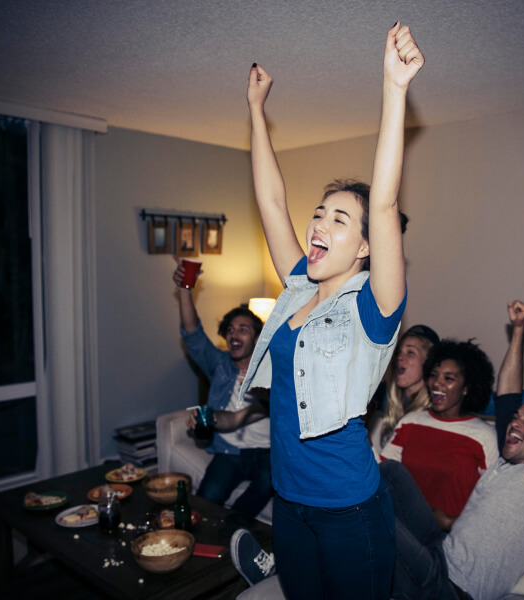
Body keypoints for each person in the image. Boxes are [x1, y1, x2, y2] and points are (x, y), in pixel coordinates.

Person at [233, 23, 425, 600]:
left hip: (349, 508)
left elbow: (385, 203)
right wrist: (255, 111)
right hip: (288, 503)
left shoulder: (374, 308)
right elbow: (270, 200)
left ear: (365, 247)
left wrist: (394, 90)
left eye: (338, 220)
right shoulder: (296, 286)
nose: (318, 224)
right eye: (319, 213)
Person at [383, 292, 524, 600]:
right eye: (516, 417)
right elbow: (507, 395)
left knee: (371, 516)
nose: (515, 421)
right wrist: (518, 331)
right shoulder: (506, 459)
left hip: (452, 588)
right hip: (439, 550)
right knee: (392, 473)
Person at [172, 258, 272, 519]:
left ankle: (232, 529)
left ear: (258, 338)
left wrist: (214, 416)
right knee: (206, 501)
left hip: (267, 452)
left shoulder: (271, 372)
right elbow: (193, 333)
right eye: (230, 330)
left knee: (267, 483)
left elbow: (251, 413)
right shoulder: (220, 364)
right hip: (228, 450)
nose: (234, 335)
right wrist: (185, 287)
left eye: (243, 330)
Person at [380, 339, 498, 532]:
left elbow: (492, 500)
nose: (437, 383)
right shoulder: (411, 421)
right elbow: (384, 474)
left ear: (467, 388)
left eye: (449, 378)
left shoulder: (484, 437)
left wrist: (453, 523)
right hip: (401, 529)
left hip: (448, 540)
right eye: (433, 376)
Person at [366, 324, 440, 454]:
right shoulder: (383, 396)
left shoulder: (438, 407)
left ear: (429, 361)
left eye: (410, 352)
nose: (400, 357)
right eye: (398, 352)